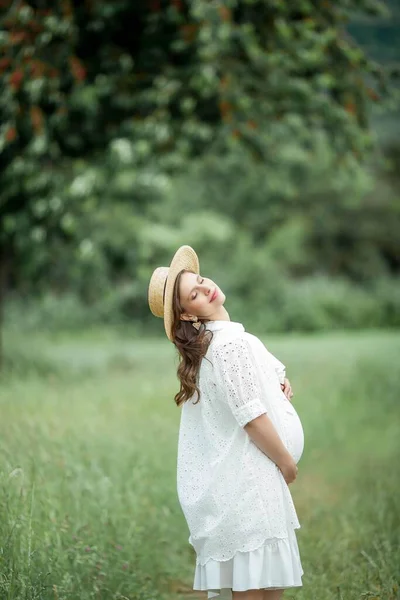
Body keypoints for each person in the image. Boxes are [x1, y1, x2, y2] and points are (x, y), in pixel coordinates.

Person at [148, 245, 305, 600]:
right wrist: (286, 463)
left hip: (248, 489)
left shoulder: (226, 340)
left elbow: (261, 376)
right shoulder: (226, 346)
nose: (207, 289)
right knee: (257, 593)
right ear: (188, 315)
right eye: (194, 294)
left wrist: (279, 383)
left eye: (201, 281)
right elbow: (250, 416)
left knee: (265, 592)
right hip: (248, 490)